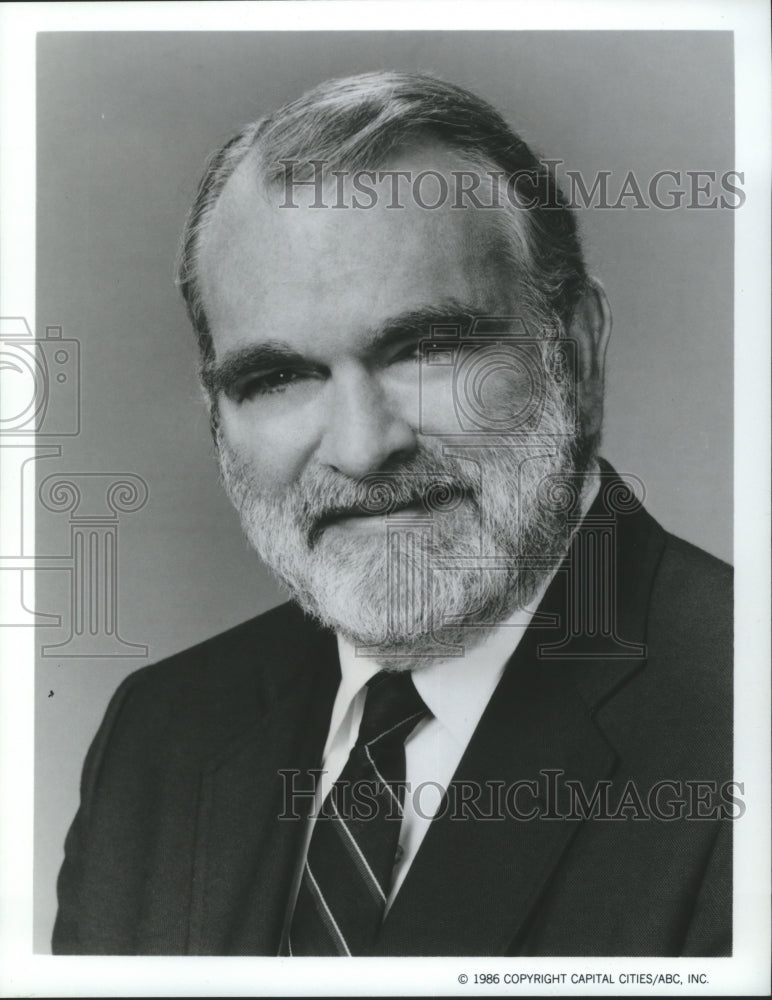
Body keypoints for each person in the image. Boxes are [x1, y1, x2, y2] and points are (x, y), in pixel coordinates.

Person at [52, 71, 733, 957]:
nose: (363, 449)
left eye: (429, 348)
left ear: (576, 351)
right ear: (217, 411)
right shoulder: (163, 732)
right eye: (278, 377)